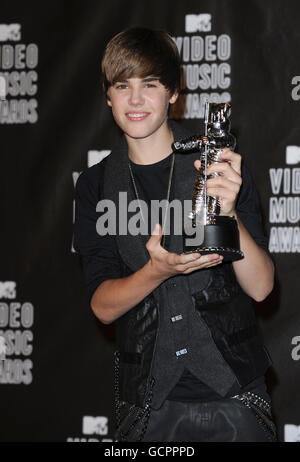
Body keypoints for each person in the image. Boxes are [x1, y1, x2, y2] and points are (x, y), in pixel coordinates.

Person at [74, 27, 277, 442]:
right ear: (108, 96)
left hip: (236, 393)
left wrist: (230, 211)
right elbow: (102, 307)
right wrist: (155, 272)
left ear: (172, 93)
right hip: (147, 403)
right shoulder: (95, 185)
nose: (135, 100)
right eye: (122, 85)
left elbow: (261, 288)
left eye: (149, 84)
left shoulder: (218, 166)